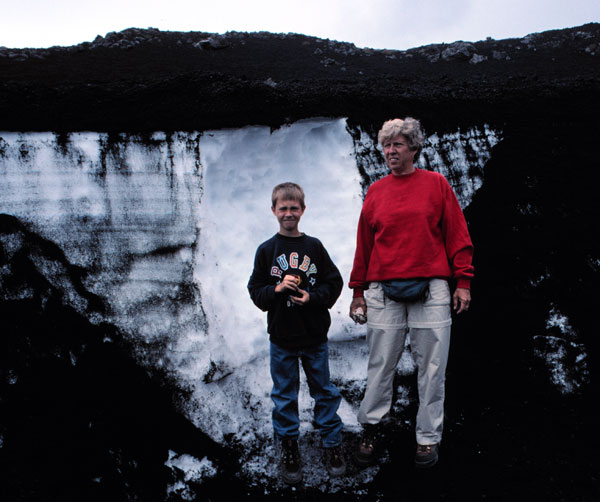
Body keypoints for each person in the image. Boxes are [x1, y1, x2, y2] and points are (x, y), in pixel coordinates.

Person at [348, 117, 474, 469]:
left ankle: (427, 439)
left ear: (414, 149)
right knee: (380, 365)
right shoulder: (376, 191)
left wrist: (462, 281)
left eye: (398, 145)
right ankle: (372, 429)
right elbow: (364, 244)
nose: (390, 151)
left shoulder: (436, 185)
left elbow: (458, 236)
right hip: (383, 292)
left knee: (432, 367)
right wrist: (358, 291)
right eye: (387, 145)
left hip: (431, 289)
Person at [247, 182, 346, 484]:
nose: (288, 213)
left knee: (325, 392)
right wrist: (277, 289)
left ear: (303, 210)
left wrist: (312, 298)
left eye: (294, 208)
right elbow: (255, 292)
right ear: (274, 210)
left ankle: (332, 443)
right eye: (283, 208)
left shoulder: (314, 247)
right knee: (284, 396)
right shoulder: (267, 250)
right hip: (282, 340)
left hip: (314, 337)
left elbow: (334, 283)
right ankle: (289, 445)